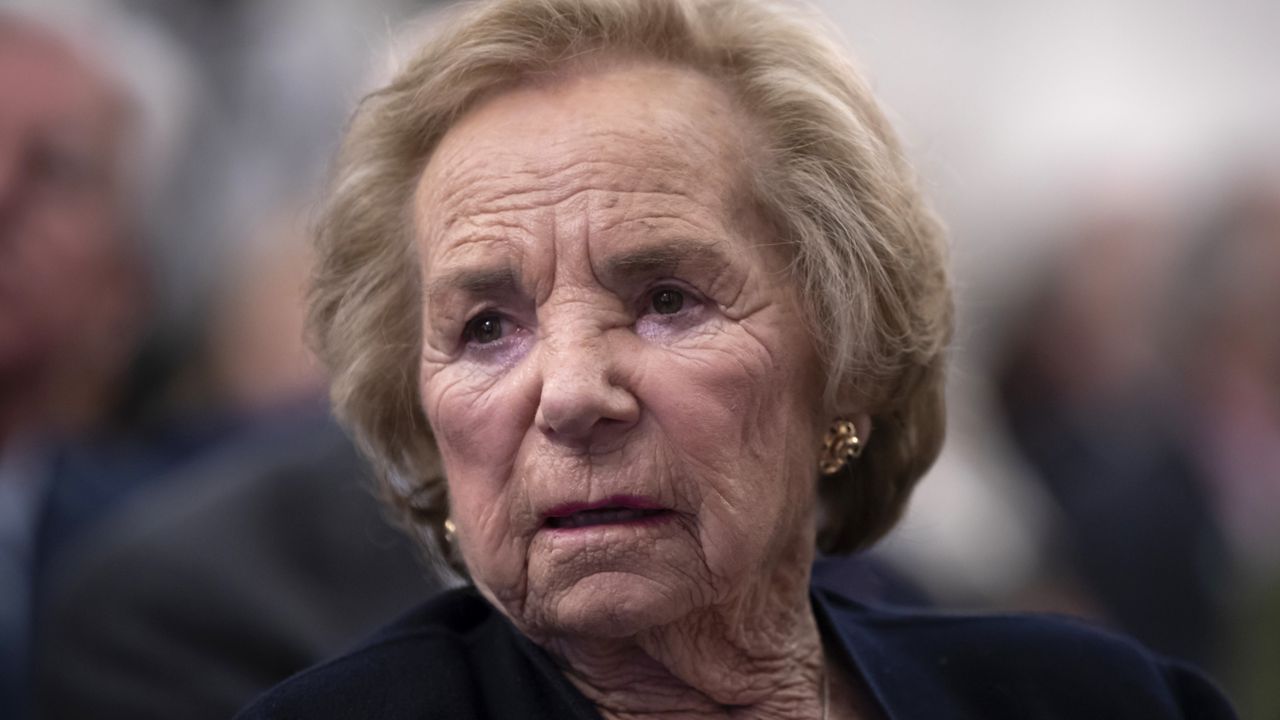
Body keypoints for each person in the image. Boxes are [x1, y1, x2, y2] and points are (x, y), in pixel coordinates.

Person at [238, 0, 1236, 717]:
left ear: (845, 362)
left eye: (667, 300)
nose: (574, 394)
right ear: (419, 419)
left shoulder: (1093, 697)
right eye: (486, 328)